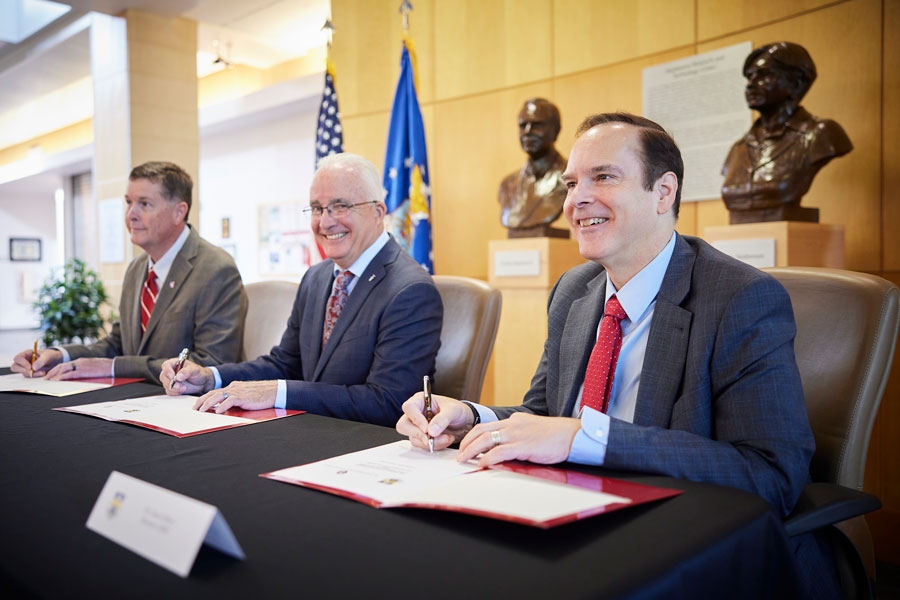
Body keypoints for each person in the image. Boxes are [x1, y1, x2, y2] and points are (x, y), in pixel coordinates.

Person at [398, 112, 838, 598]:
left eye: (603, 176)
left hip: (692, 547)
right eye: (570, 183)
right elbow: (545, 416)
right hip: (572, 520)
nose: (576, 200)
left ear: (664, 193)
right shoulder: (574, 289)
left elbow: (771, 474)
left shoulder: (741, 299)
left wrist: (586, 439)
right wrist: (471, 418)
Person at [161, 153, 443, 428]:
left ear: (378, 212)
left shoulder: (410, 289)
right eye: (317, 208)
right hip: (307, 433)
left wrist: (277, 393)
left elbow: (389, 402)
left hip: (363, 449)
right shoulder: (316, 278)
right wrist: (210, 377)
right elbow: (286, 364)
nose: (325, 221)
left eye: (340, 206)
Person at [11, 161, 247, 385]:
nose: (131, 214)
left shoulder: (216, 269)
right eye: (129, 202)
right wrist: (59, 354)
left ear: (179, 212)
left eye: (144, 204)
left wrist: (114, 367)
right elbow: (118, 345)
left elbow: (211, 364)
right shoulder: (137, 268)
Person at [721, 41, 852, 224]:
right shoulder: (738, 149)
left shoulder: (821, 134)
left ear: (796, 83)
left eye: (764, 75)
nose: (750, 85)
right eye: (749, 77)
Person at [497, 98, 568, 237]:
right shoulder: (507, 185)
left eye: (537, 125)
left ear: (556, 130)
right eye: (523, 126)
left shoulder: (569, 179)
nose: (528, 132)